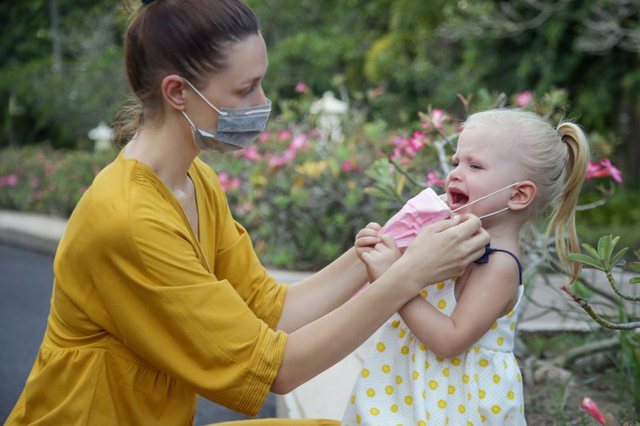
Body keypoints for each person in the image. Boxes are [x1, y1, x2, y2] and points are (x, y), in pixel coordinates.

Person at [5, 1, 490, 425]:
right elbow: (276, 369)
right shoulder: (128, 221)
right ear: (178, 93)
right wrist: (407, 276)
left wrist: (397, 239)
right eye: (245, 91)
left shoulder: (194, 181)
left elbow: (271, 311)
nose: (263, 105)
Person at [342, 109, 589, 425]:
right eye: (456, 162)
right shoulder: (451, 238)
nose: (455, 173)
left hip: (456, 404)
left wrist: (395, 279)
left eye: (475, 166)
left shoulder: (499, 264)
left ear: (518, 194)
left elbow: (450, 341)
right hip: (411, 392)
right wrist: (386, 246)